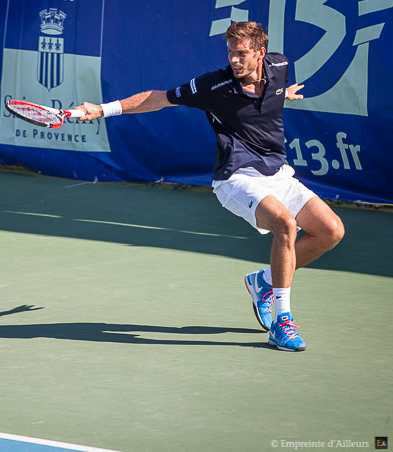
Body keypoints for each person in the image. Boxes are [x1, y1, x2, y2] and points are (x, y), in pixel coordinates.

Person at [75, 22, 344, 352]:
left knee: (330, 231)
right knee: (285, 224)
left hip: (278, 173)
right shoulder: (213, 85)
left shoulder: (279, 66)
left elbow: (269, 93)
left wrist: (281, 94)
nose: (234, 59)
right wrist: (102, 109)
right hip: (236, 178)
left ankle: (263, 282)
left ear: (261, 54)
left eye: (242, 53)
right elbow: (157, 98)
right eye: (230, 52)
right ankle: (281, 322)